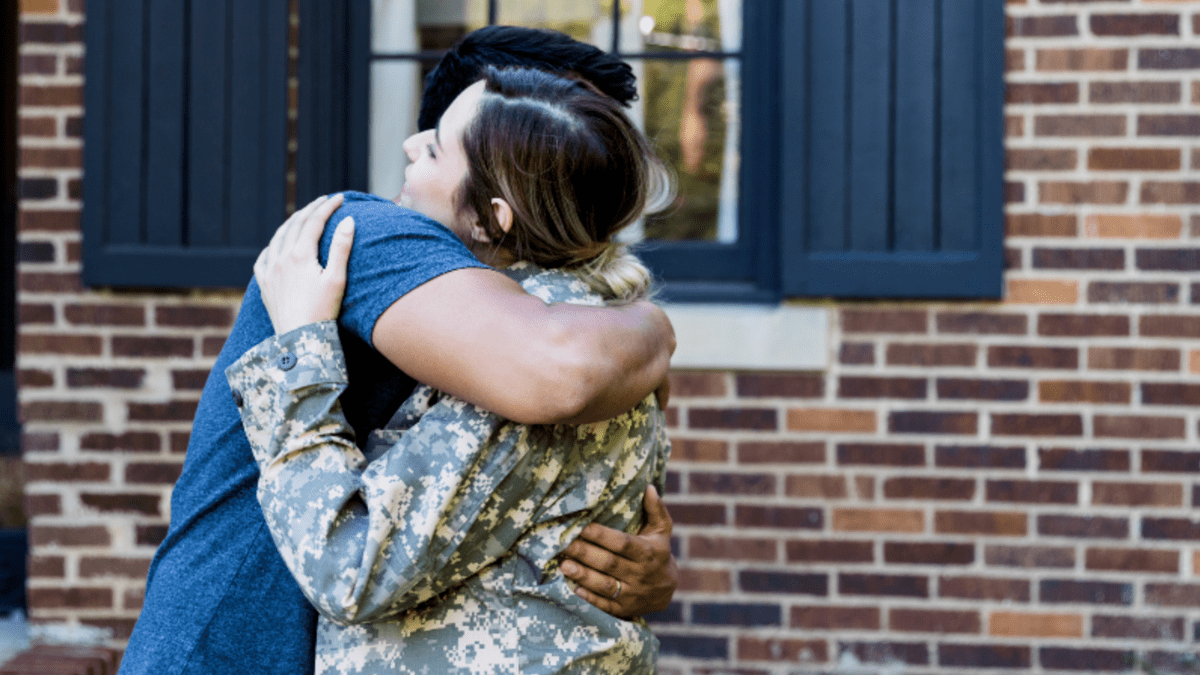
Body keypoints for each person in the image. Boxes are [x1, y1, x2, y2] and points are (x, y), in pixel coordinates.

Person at [119, 28, 676, 675]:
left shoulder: (570, 314)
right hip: (229, 651)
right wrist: (655, 325)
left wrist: (641, 567)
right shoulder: (371, 235)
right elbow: (556, 372)